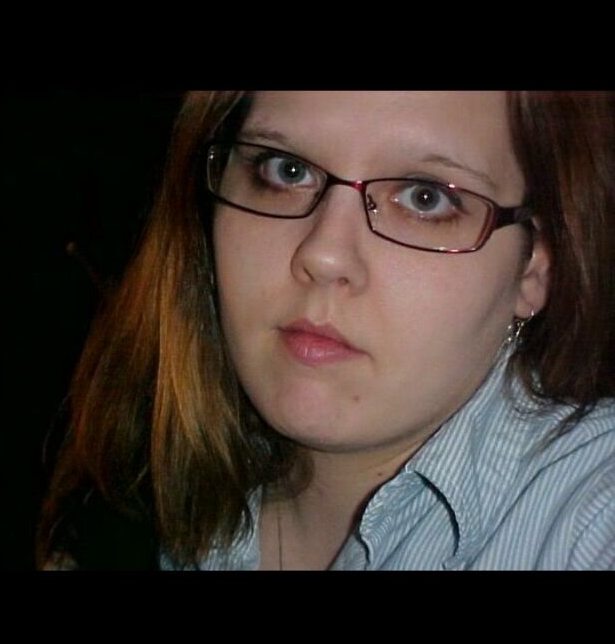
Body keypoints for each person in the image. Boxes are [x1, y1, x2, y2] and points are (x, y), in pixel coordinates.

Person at [38, 90, 615, 571]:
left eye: (426, 198)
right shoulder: (124, 488)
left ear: (534, 267)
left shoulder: (590, 513)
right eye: (285, 169)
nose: (324, 255)